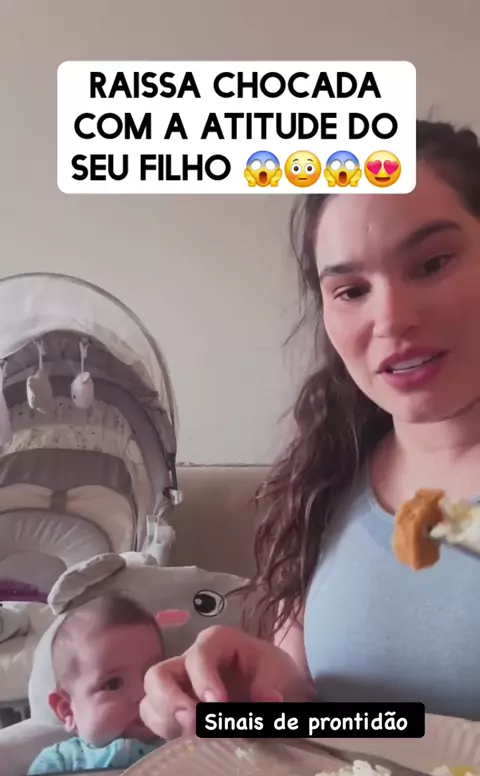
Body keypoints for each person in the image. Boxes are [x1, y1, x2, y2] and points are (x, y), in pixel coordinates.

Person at [139, 118, 480, 739]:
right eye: (351, 290)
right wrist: (252, 699)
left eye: (432, 263)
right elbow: (349, 727)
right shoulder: (324, 477)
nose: (391, 318)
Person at [11, 594, 165, 776]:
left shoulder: (174, 739)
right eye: (112, 684)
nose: (142, 694)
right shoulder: (62, 759)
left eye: (151, 676)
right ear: (67, 709)